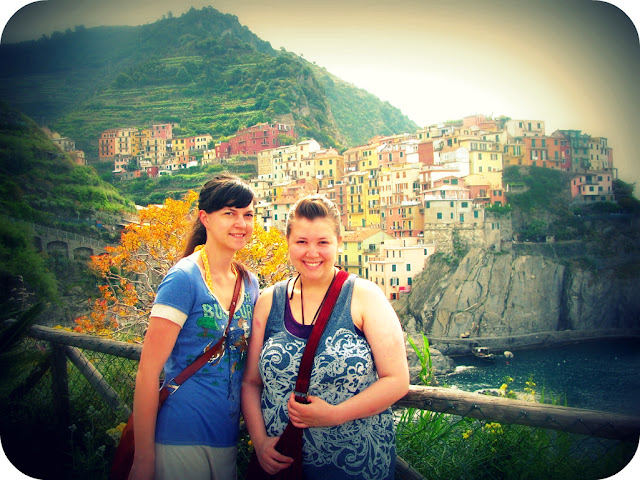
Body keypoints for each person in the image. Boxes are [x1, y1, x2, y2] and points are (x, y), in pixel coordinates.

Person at [242, 194, 410, 480]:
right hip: (283, 466)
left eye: (323, 242)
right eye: (301, 242)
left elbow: (396, 380)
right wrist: (259, 442)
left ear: (338, 242)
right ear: (288, 241)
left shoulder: (365, 297)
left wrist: (335, 414)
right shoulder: (270, 301)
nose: (312, 253)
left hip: (356, 467)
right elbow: (251, 382)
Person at [129, 174, 260, 480]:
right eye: (229, 213)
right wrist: (144, 458)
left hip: (226, 439)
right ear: (205, 218)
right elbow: (148, 371)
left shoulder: (249, 283)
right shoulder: (184, 278)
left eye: (248, 215)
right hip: (180, 436)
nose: (241, 223)